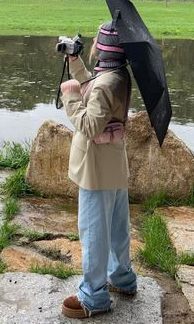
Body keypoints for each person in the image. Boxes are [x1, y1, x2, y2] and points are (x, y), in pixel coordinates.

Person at [60, 21, 137, 319]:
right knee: (118, 227)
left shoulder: (106, 83)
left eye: (95, 40)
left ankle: (93, 296)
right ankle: (122, 278)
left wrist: (69, 96)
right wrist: (75, 63)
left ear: (103, 47)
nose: (91, 43)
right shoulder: (117, 76)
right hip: (113, 165)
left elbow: (90, 124)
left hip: (95, 168)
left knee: (93, 231)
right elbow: (94, 88)